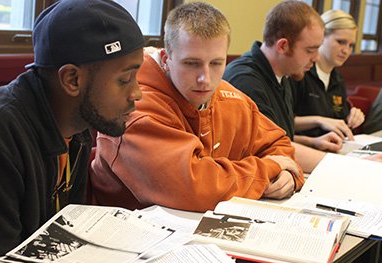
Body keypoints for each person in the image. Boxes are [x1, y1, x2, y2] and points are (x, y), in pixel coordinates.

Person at [90, 2, 304, 212]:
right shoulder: (131, 104)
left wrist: (288, 177)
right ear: (166, 59)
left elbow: (278, 145)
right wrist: (270, 168)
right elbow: (195, 187)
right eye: (191, 63)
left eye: (216, 63)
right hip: (129, 235)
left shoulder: (230, 98)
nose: (205, 79)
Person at [0, 0, 144, 260]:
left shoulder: (77, 124)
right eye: (124, 80)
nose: (137, 93)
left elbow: (66, 233)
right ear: (72, 80)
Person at [223, 1, 340, 173]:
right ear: (283, 46)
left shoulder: (285, 73)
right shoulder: (245, 80)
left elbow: (281, 136)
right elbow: (269, 147)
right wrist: (347, 166)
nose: (316, 58)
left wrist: (313, 142)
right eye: (310, 50)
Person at [291, 10, 364, 140]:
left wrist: (353, 115)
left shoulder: (338, 80)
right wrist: (319, 120)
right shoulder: (299, 72)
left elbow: (339, 119)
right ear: (321, 37)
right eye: (341, 42)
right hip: (300, 148)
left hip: (332, 147)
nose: (346, 50)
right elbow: (282, 121)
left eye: (350, 45)